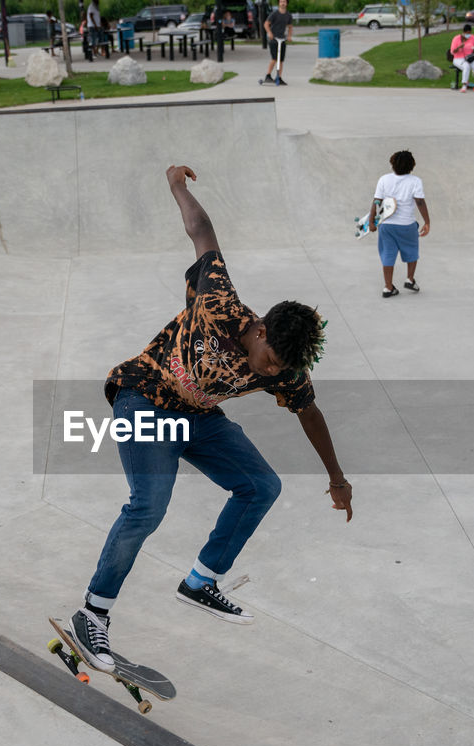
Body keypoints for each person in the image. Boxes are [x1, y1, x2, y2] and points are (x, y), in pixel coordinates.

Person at [70, 165, 354, 671]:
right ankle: (93, 614)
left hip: (197, 415)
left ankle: (201, 580)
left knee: (261, 485)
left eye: (280, 370)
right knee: (148, 507)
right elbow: (201, 231)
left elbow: (310, 413)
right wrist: (176, 184)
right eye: (268, 360)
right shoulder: (218, 301)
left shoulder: (283, 370)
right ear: (261, 329)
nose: (268, 372)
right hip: (143, 396)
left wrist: (336, 477)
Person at [367, 150, 431, 298]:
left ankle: (388, 288)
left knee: (388, 255)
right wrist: (427, 221)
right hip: (407, 225)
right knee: (412, 251)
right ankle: (410, 279)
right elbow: (420, 202)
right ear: (412, 166)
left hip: (386, 226)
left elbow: (377, 201)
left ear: (392, 164)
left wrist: (371, 221)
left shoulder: (384, 179)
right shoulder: (415, 181)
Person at [263, 0, 293, 85]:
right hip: (274, 39)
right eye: (281, 2)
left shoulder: (288, 15)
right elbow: (266, 24)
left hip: (282, 39)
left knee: (281, 60)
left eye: (284, 2)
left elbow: (290, 27)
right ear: (279, 3)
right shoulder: (274, 14)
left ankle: (279, 77)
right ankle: (268, 76)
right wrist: (269, 33)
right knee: (274, 58)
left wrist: (289, 36)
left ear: (286, 3)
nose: (283, 3)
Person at [450, 24, 474, 93]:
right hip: (458, 58)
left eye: (470, 33)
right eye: (467, 33)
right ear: (463, 32)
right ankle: (464, 85)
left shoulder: (473, 37)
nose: (469, 35)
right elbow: (452, 52)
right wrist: (459, 47)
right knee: (466, 66)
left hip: (470, 57)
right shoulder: (456, 39)